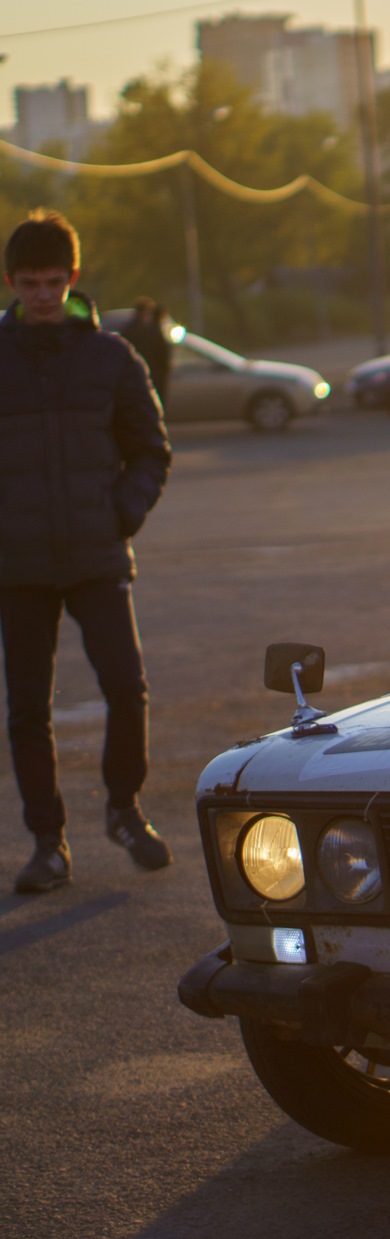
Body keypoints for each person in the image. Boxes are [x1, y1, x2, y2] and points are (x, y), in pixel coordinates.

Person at [0, 211, 172, 893]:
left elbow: (151, 449)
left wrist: (121, 513)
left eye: (53, 281)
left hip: (98, 559)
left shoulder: (111, 357)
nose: (42, 294)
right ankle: (48, 845)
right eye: (29, 283)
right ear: (11, 282)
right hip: (17, 569)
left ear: (73, 279)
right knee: (27, 711)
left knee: (127, 690)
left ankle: (124, 808)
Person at [124, 296, 172, 407]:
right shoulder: (154, 331)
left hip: (134, 378)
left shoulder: (128, 330)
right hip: (153, 376)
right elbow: (163, 357)